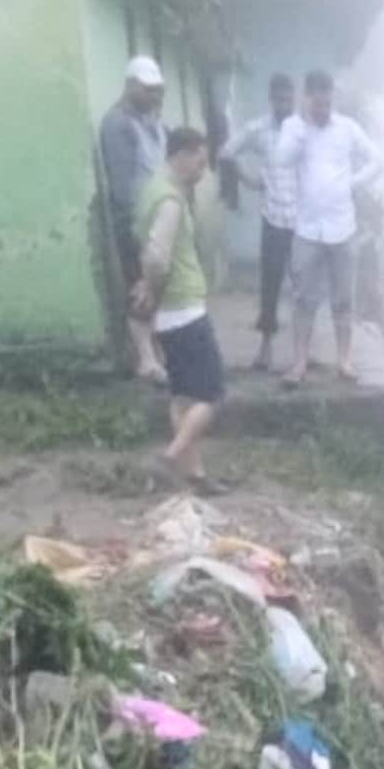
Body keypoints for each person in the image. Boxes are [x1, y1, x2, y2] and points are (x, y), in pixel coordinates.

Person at [134, 127, 228, 496]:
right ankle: (170, 459)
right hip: (184, 309)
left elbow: (149, 251)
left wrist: (147, 288)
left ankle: (195, 475)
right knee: (213, 394)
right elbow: (158, 256)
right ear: (182, 156)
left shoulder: (152, 190)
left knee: (184, 398)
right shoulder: (171, 200)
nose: (202, 172)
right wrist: (153, 288)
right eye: (200, 163)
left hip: (169, 315)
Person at [274, 70, 383, 386]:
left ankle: (345, 361)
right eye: (317, 103)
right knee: (303, 299)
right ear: (307, 98)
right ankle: (299, 364)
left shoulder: (347, 129)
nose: (322, 109)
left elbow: (378, 160)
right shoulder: (293, 127)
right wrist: (302, 129)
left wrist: (352, 183)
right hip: (307, 229)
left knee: (343, 299)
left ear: (332, 98)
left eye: (327, 102)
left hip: (342, 228)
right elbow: (280, 159)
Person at [218, 73, 298, 370]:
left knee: (304, 286)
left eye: (289, 98)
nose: (284, 104)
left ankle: (302, 353)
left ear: (294, 98)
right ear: (271, 99)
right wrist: (250, 180)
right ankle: (265, 348)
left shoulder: (302, 130)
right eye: (279, 99)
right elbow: (226, 152)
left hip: (303, 222)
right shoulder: (259, 129)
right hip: (274, 219)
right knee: (271, 284)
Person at [99, 56, 169, 384]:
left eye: (157, 91)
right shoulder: (117, 125)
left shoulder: (151, 120)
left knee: (157, 287)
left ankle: (156, 352)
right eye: (148, 90)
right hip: (136, 220)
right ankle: (145, 359)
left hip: (159, 217)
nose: (154, 96)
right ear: (130, 87)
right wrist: (136, 226)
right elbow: (124, 185)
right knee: (140, 287)